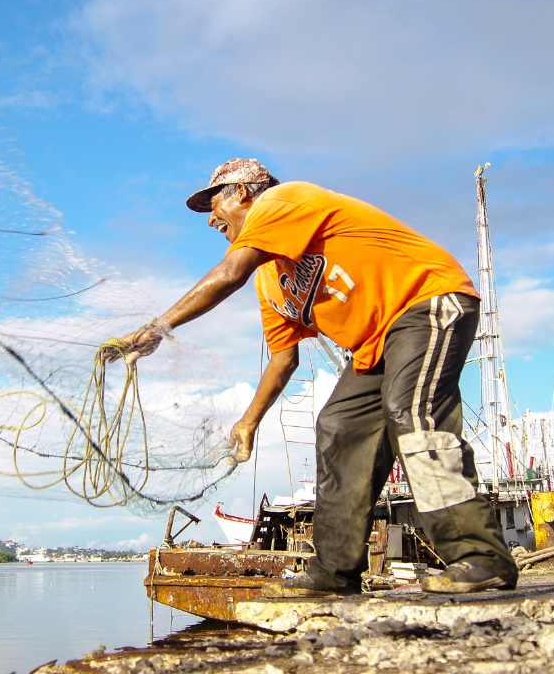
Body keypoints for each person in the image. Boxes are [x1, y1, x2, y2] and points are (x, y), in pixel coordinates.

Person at [109, 158, 516, 595]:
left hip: (427, 301)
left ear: (242, 192)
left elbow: (228, 275)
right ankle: (334, 573)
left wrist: (158, 328)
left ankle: (482, 557)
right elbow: (283, 359)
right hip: (373, 346)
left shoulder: (282, 199)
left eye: (213, 205)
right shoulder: (270, 279)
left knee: (411, 410)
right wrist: (248, 422)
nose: (211, 220)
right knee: (339, 427)